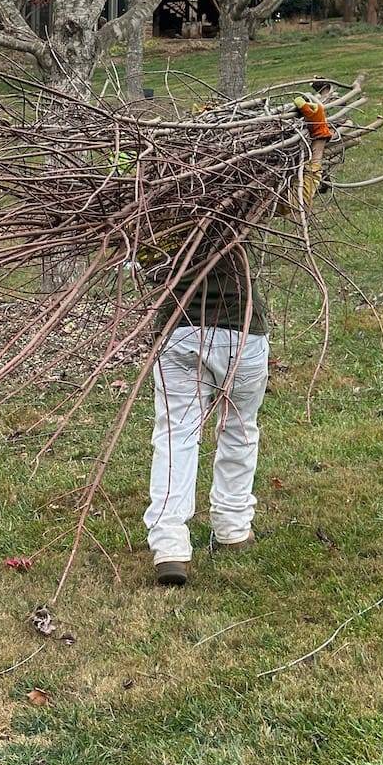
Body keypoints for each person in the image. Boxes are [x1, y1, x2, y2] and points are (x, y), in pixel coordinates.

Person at [144, 243, 268, 587]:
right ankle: (233, 527)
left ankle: (170, 544)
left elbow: (148, 259)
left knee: (176, 434)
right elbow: (292, 199)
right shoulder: (249, 191)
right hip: (242, 327)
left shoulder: (151, 198)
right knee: (239, 427)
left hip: (180, 329)